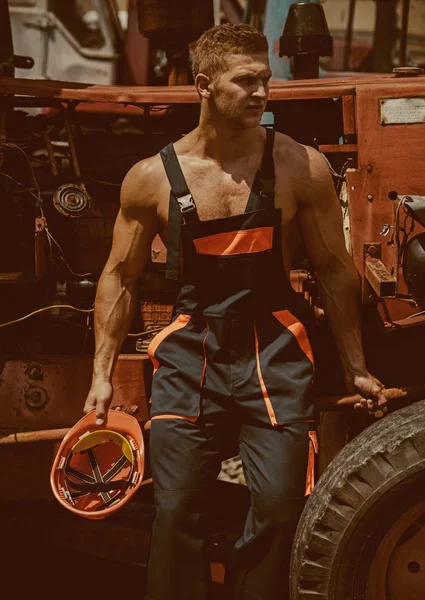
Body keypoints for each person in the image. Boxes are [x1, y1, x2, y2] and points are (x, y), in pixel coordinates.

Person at [83, 23, 386, 600]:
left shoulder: (301, 167)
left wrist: (356, 366)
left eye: (265, 79)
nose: (262, 93)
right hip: (189, 350)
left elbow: (334, 270)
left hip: (274, 350)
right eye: (244, 81)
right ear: (203, 85)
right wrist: (101, 377)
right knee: (175, 511)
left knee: (278, 509)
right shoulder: (151, 178)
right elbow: (119, 276)